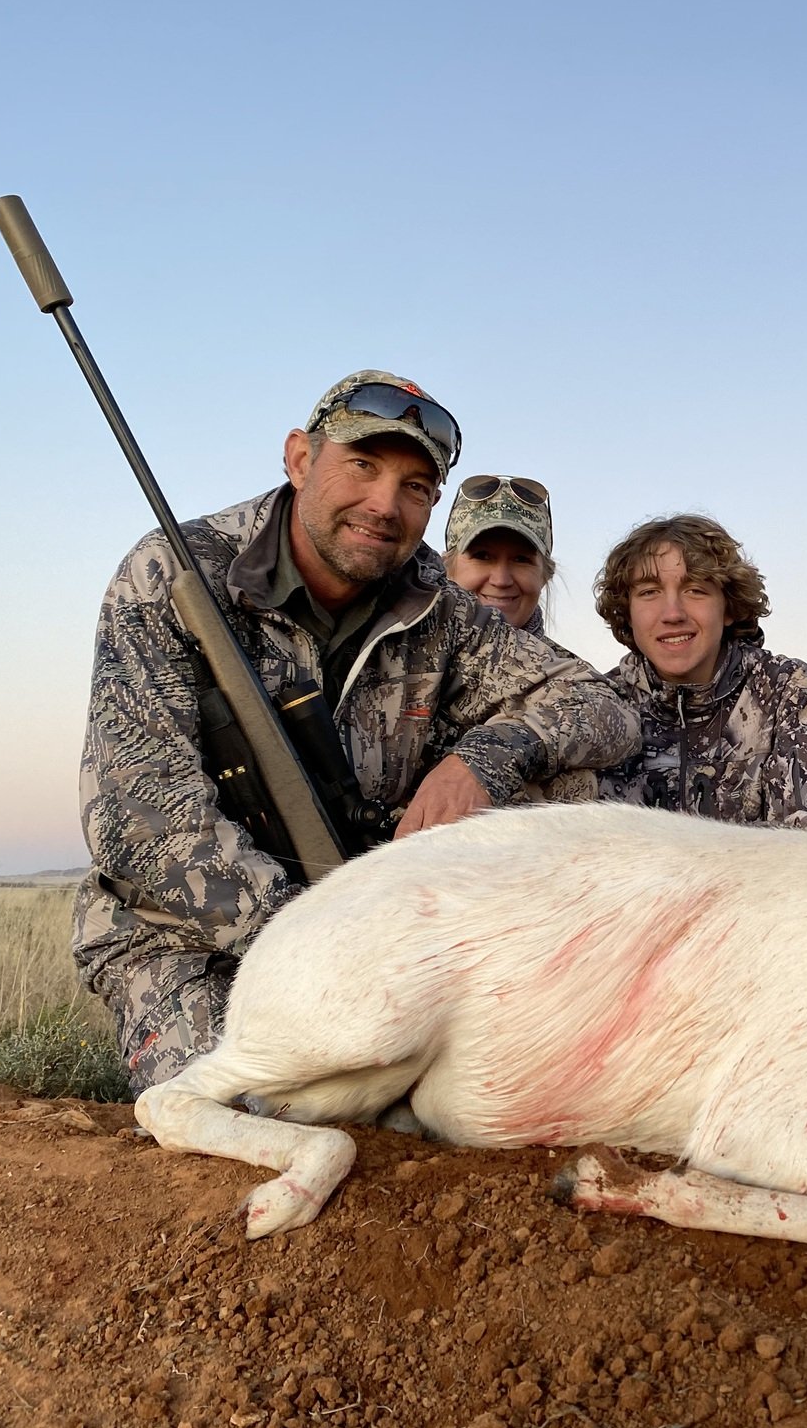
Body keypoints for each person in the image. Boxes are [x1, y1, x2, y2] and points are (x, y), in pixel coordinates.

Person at [73, 369, 639, 1094]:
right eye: (363, 466)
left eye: (414, 486)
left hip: (366, 916)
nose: (384, 505)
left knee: (565, 779)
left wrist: (485, 759)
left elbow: (600, 704)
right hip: (194, 938)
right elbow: (139, 818)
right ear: (301, 459)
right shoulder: (168, 576)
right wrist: (322, 948)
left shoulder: (440, 601)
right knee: (255, 1105)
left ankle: (532, 1012)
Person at [593, 513, 807, 833]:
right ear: (628, 612)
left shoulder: (785, 689)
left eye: (695, 590)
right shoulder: (600, 705)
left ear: (729, 607)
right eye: (649, 592)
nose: (672, 613)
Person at [442, 473, 555, 635]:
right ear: (446, 567)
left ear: (545, 576)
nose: (501, 580)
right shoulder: (401, 651)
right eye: (482, 556)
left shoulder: (562, 661)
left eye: (521, 559)